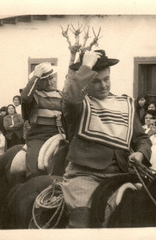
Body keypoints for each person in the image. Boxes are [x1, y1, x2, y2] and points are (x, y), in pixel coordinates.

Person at [61, 49, 152, 228]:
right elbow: (70, 99)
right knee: (82, 221)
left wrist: (141, 154)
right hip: (86, 175)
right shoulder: (79, 106)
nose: (103, 86)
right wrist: (85, 67)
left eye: (106, 79)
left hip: (122, 173)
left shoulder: (124, 104)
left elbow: (142, 138)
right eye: (96, 81)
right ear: (87, 81)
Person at [21, 62, 63, 179]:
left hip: (59, 135)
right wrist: (36, 76)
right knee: (34, 170)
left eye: (51, 78)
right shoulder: (33, 95)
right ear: (38, 82)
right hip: (38, 136)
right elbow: (24, 97)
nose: (50, 82)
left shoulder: (61, 95)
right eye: (46, 80)